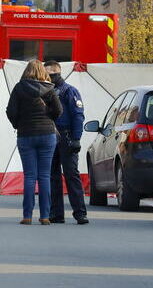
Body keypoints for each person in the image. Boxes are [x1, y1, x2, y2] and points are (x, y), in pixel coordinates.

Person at [6, 60, 62, 225]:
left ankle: (27, 216)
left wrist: (18, 124)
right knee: (44, 176)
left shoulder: (19, 88)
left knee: (30, 176)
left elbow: (11, 111)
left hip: (26, 135)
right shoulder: (49, 89)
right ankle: (45, 216)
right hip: (47, 135)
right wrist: (48, 118)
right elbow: (59, 110)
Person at [44, 61, 89, 225]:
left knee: (71, 175)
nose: (48, 77)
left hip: (66, 136)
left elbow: (78, 115)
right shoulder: (46, 91)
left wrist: (76, 138)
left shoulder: (69, 91)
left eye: (51, 74)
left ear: (58, 73)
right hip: (50, 136)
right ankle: (56, 213)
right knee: (52, 176)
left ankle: (80, 213)